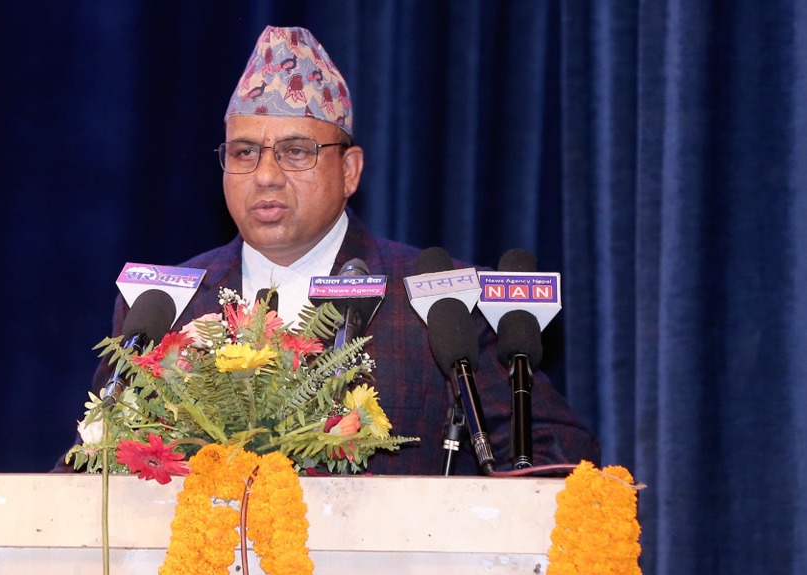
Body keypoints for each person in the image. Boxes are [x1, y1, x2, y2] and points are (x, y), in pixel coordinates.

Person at [58, 25, 598, 475]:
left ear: (350, 171)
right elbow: (90, 466)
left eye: (295, 152)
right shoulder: (165, 305)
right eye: (244, 152)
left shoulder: (442, 304)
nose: (265, 176)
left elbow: (557, 462)